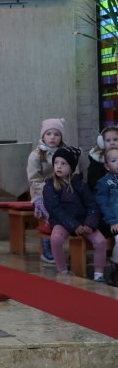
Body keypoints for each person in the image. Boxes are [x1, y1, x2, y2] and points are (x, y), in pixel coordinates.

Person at [43, 145, 109, 282]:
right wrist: (73, 225)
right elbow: (55, 210)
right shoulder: (50, 186)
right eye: (56, 163)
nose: (59, 166)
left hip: (83, 221)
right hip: (62, 222)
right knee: (56, 239)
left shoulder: (79, 184)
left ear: (71, 167)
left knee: (100, 241)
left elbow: (92, 205)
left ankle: (99, 274)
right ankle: (63, 271)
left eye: (63, 163)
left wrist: (89, 223)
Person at [27, 118, 67, 265]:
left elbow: (73, 173)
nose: (52, 137)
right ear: (43, 136)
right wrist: (50, 190)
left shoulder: (66, 152)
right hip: (41, 193)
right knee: (49, 212)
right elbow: (34, 179)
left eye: (56, 134)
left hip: (63, 191)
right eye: (49, 134)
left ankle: (61, 244)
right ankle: (46, 246)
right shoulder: (36, 155)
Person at [86, 125, 118, 192]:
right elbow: (92, 183)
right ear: (102, 143)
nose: (112, 143)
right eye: (108, 140)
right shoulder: (96, 161)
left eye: (115, 139)